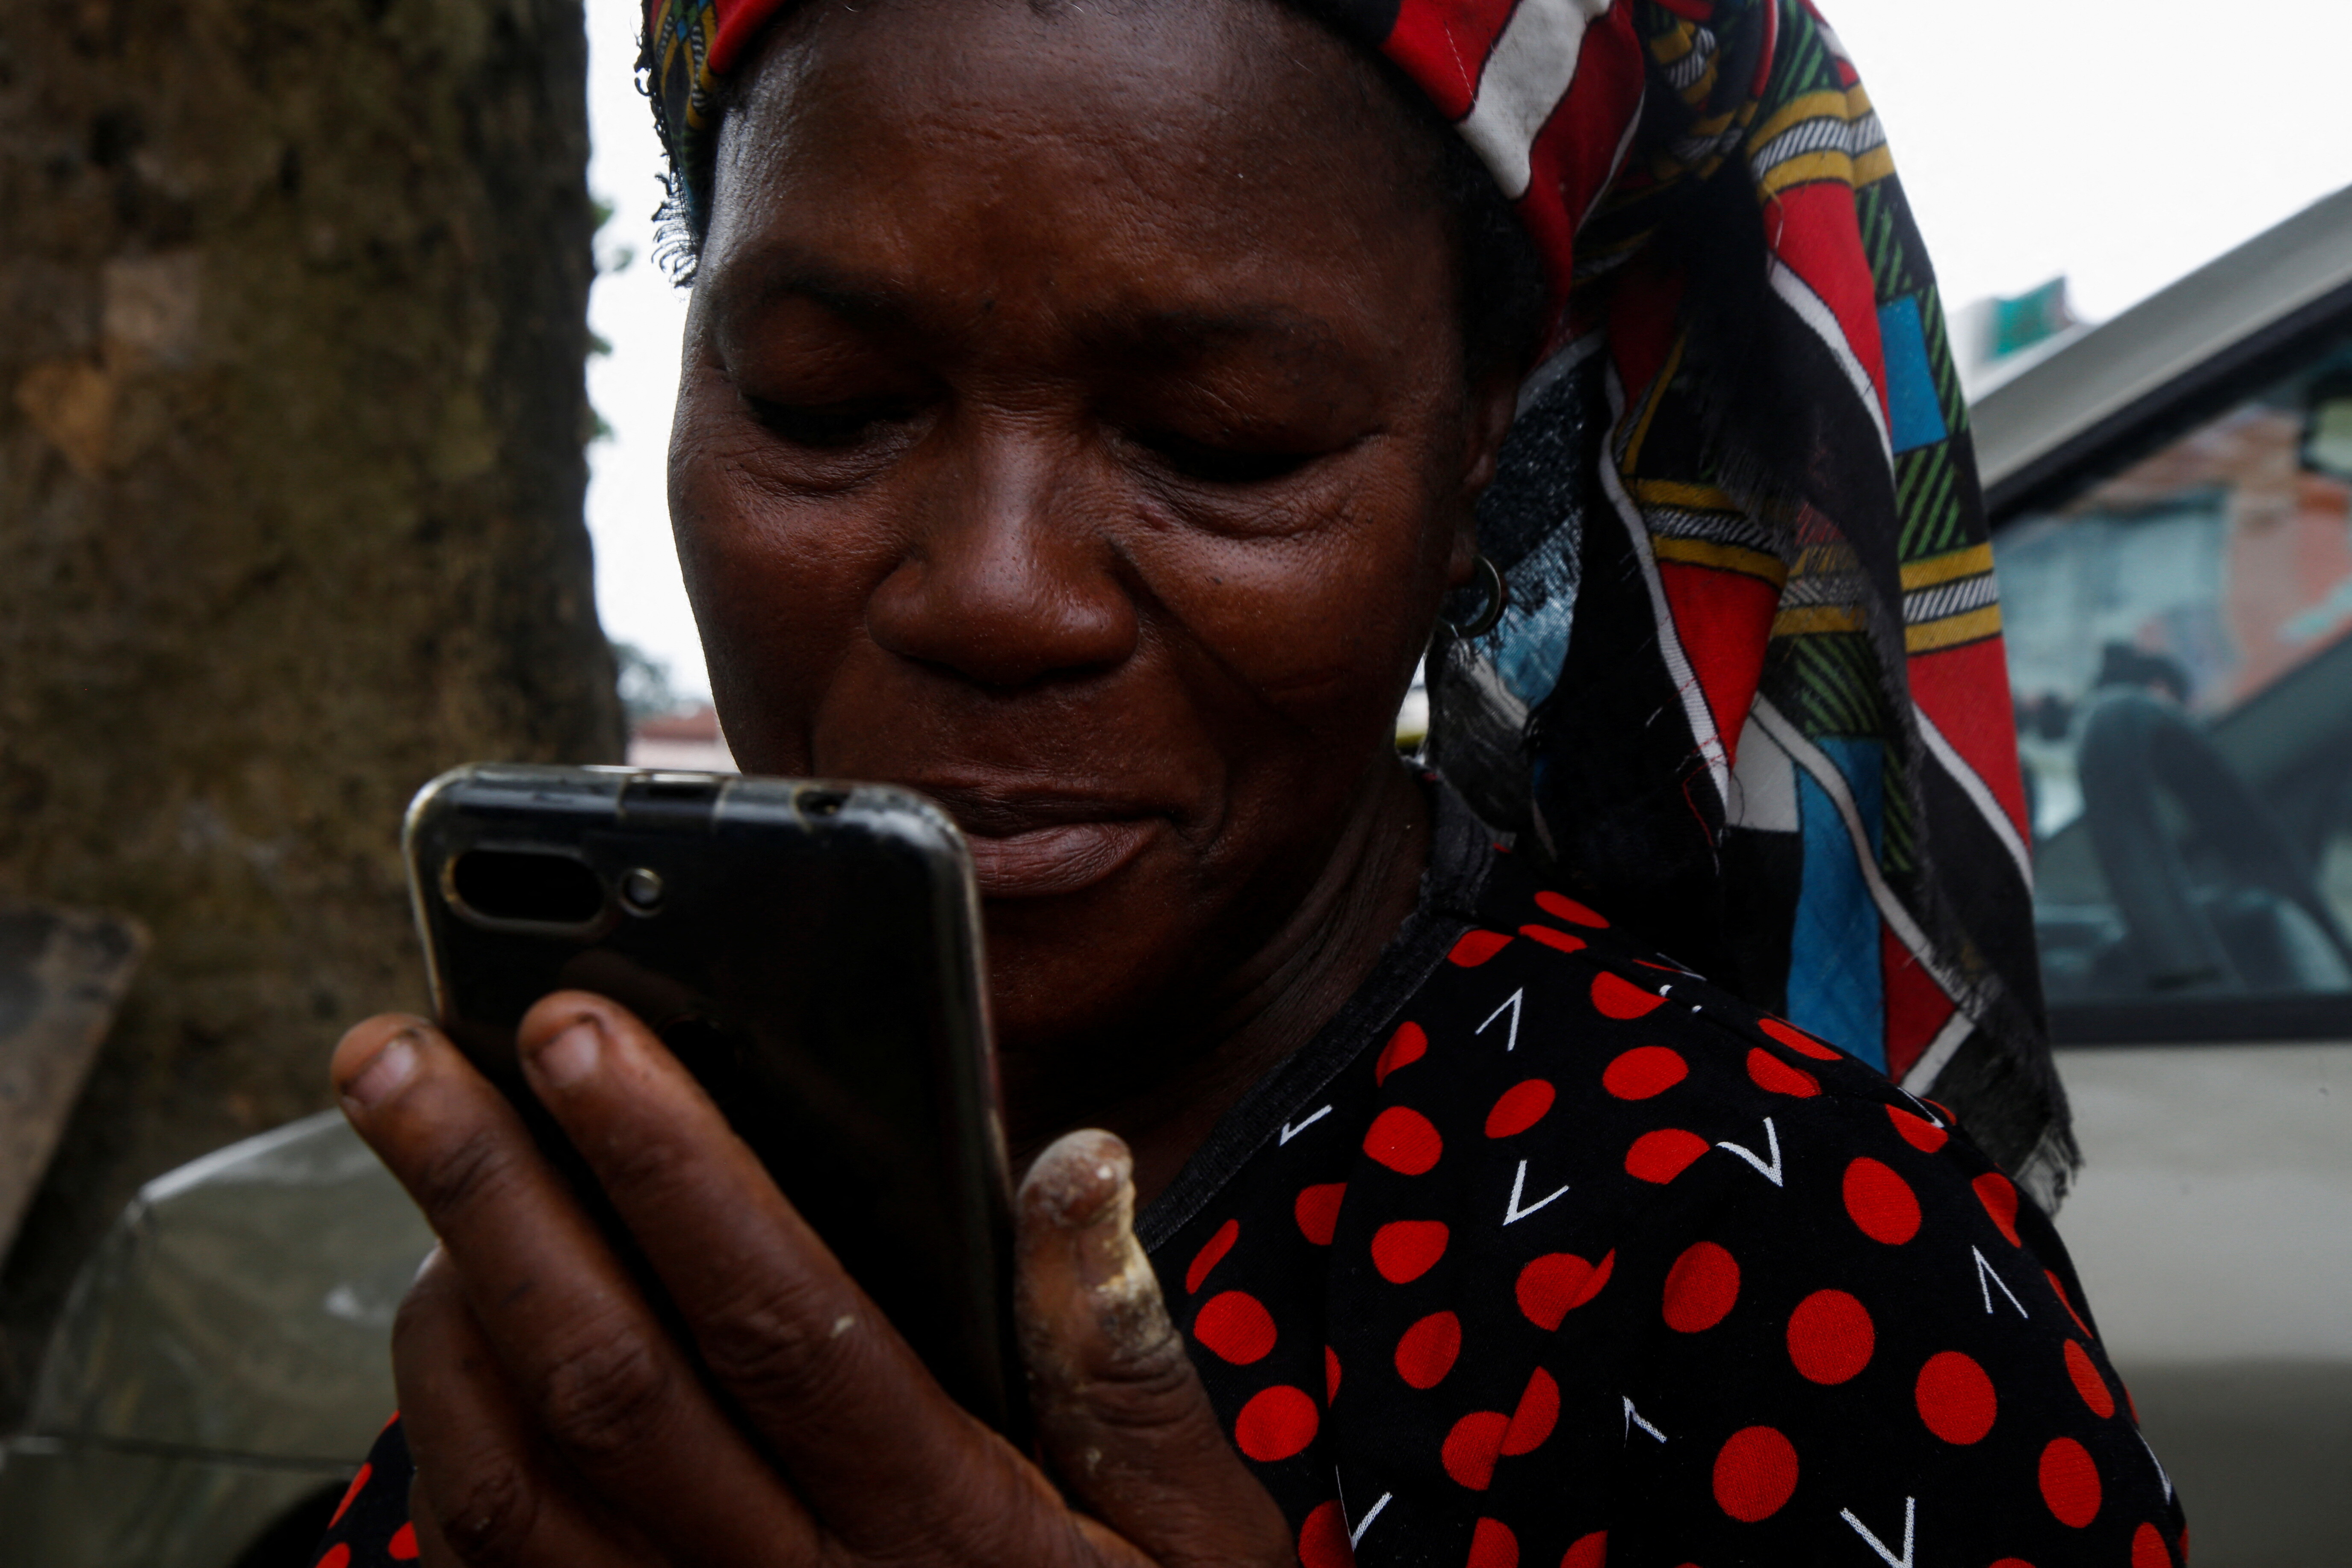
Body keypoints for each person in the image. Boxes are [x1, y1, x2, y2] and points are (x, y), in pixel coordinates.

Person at [315, 0, 2185, 1563]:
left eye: (1222, 443)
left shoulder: (1790, 1278)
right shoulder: (634, 1177)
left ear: (1475, 461)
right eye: (821, 401)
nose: (997, 589)